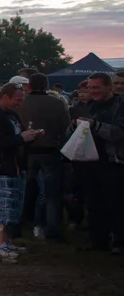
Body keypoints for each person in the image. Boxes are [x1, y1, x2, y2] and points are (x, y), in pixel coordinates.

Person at [0, 82, 42, 263]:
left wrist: (29, 136)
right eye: (17, 99)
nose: (19, 103)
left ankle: (6, 241)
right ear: (4, 97)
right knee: (3, 206)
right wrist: (21, 138)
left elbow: (14, 138)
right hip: (0, 168)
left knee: (12, 206)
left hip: (14, 166)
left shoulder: (10, 115)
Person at [77, 73, 124, 254]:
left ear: (108, 87)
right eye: (89, 87)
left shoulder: (119, 105)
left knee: (115, 204)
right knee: (93, 203)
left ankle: (119, 242)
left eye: (96, 87)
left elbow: (120, 133)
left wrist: (95, 126)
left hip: (113, 162)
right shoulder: (88, 106)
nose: (91, 91)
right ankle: (98, 241)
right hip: (89, 163)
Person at [20, 72, 69, 241]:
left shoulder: (22, 103)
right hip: (50, 151)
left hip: (28, 151)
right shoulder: (56, 103)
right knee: (51, 194)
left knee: (26, 190)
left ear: (29, 86)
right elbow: (66, 126)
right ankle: (53, 229)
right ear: (47, 86)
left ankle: (21, 223)